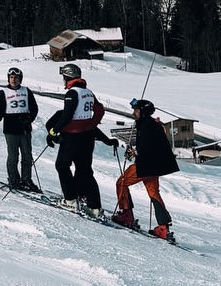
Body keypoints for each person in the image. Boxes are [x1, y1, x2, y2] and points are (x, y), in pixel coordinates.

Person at [44, 61, 111, 212]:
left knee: (62, 165)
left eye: (63, 77)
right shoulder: (88, 92)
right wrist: (90, 124)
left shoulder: (72, 93)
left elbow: (66, 117)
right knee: (85, 171)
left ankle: (70, 200)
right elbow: (100, 110)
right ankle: (95, 207)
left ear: (67, 77)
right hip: (87, 138)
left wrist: (53, 132)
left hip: (72, 138)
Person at [115, 98, 178, 239]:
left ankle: (126, 216)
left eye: (136, 110)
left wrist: (135, 152)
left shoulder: (145, 126)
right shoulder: (152, 125)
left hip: (146, 165)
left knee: (121, 182)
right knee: (154, 193)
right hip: (155, 166)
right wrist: (137, 151)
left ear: (142, 112)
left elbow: (147, 148)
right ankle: (163, 228)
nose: (134, 113)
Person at [0, 65, 40, 190]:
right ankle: (14, 180)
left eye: (16, 77)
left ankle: (27, 180)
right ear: (8, 79)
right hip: (10, 128)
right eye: (11, 77)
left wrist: (29, 119)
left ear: (20, 79)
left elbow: (34, 108)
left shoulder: (26, 90)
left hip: (24, 128)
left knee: (27, 156)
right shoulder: (3, 92)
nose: (13, 80)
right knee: (13, 156)